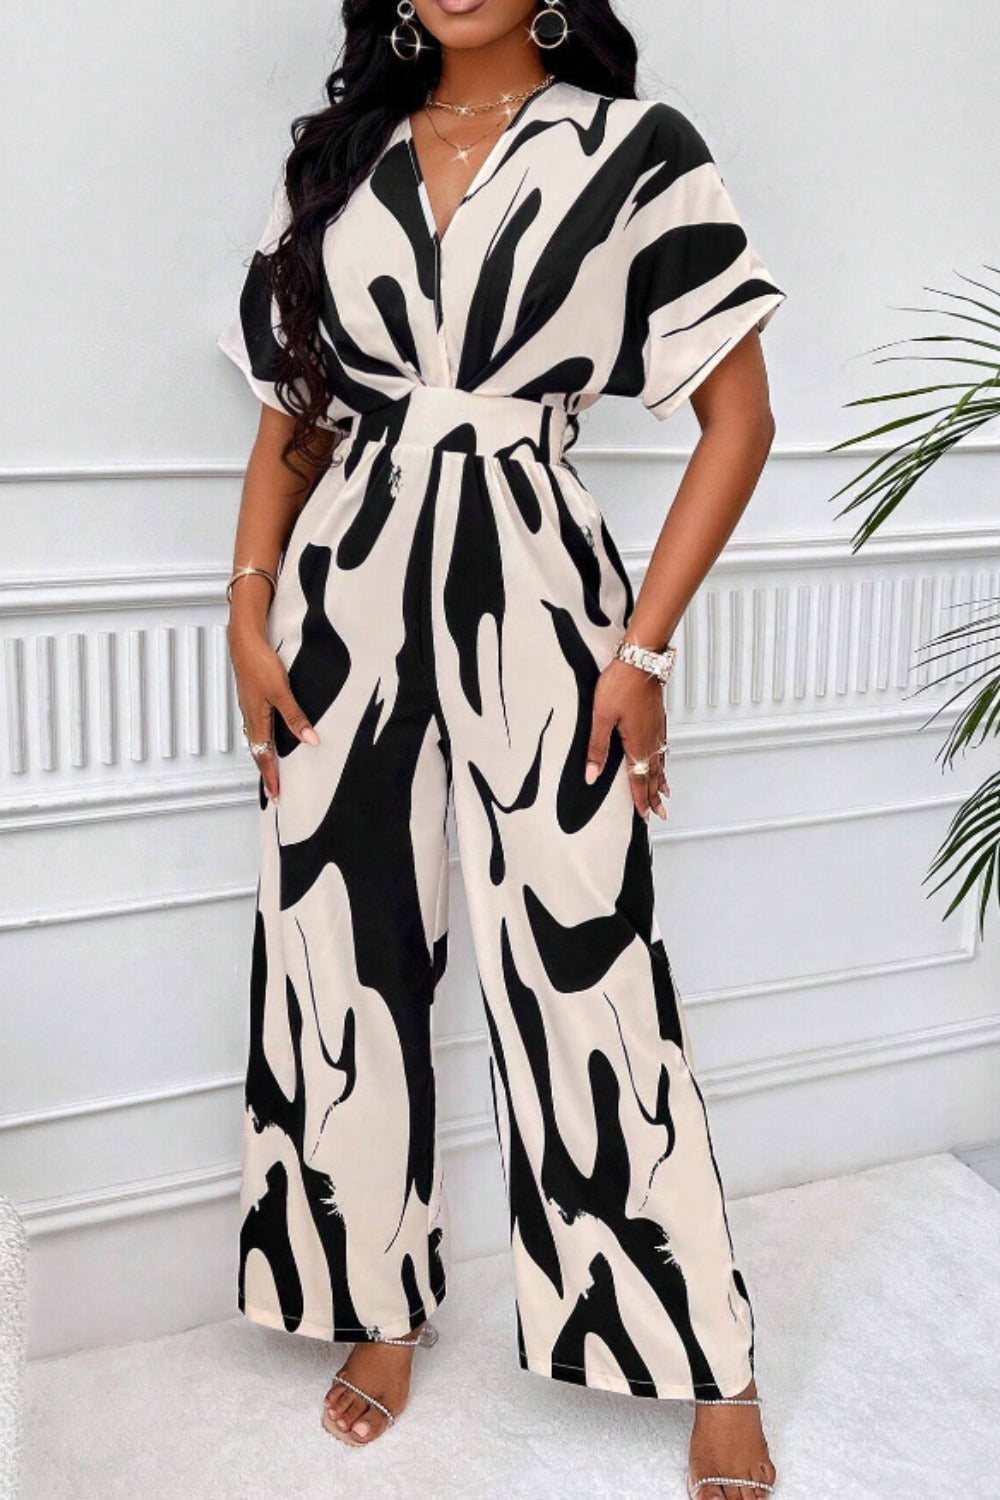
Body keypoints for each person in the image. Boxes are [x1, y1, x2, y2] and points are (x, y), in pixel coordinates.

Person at [217, 2, 785, 1495]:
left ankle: (707, 1354)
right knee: (341, 956)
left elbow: (739, 418)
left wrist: (642, 650)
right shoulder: (339, 162)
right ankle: (377, 1302)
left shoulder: (636, 150)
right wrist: (247, 607)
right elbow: (296, 415)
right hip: (339, 608)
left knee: (588, 960)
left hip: (538, 599)